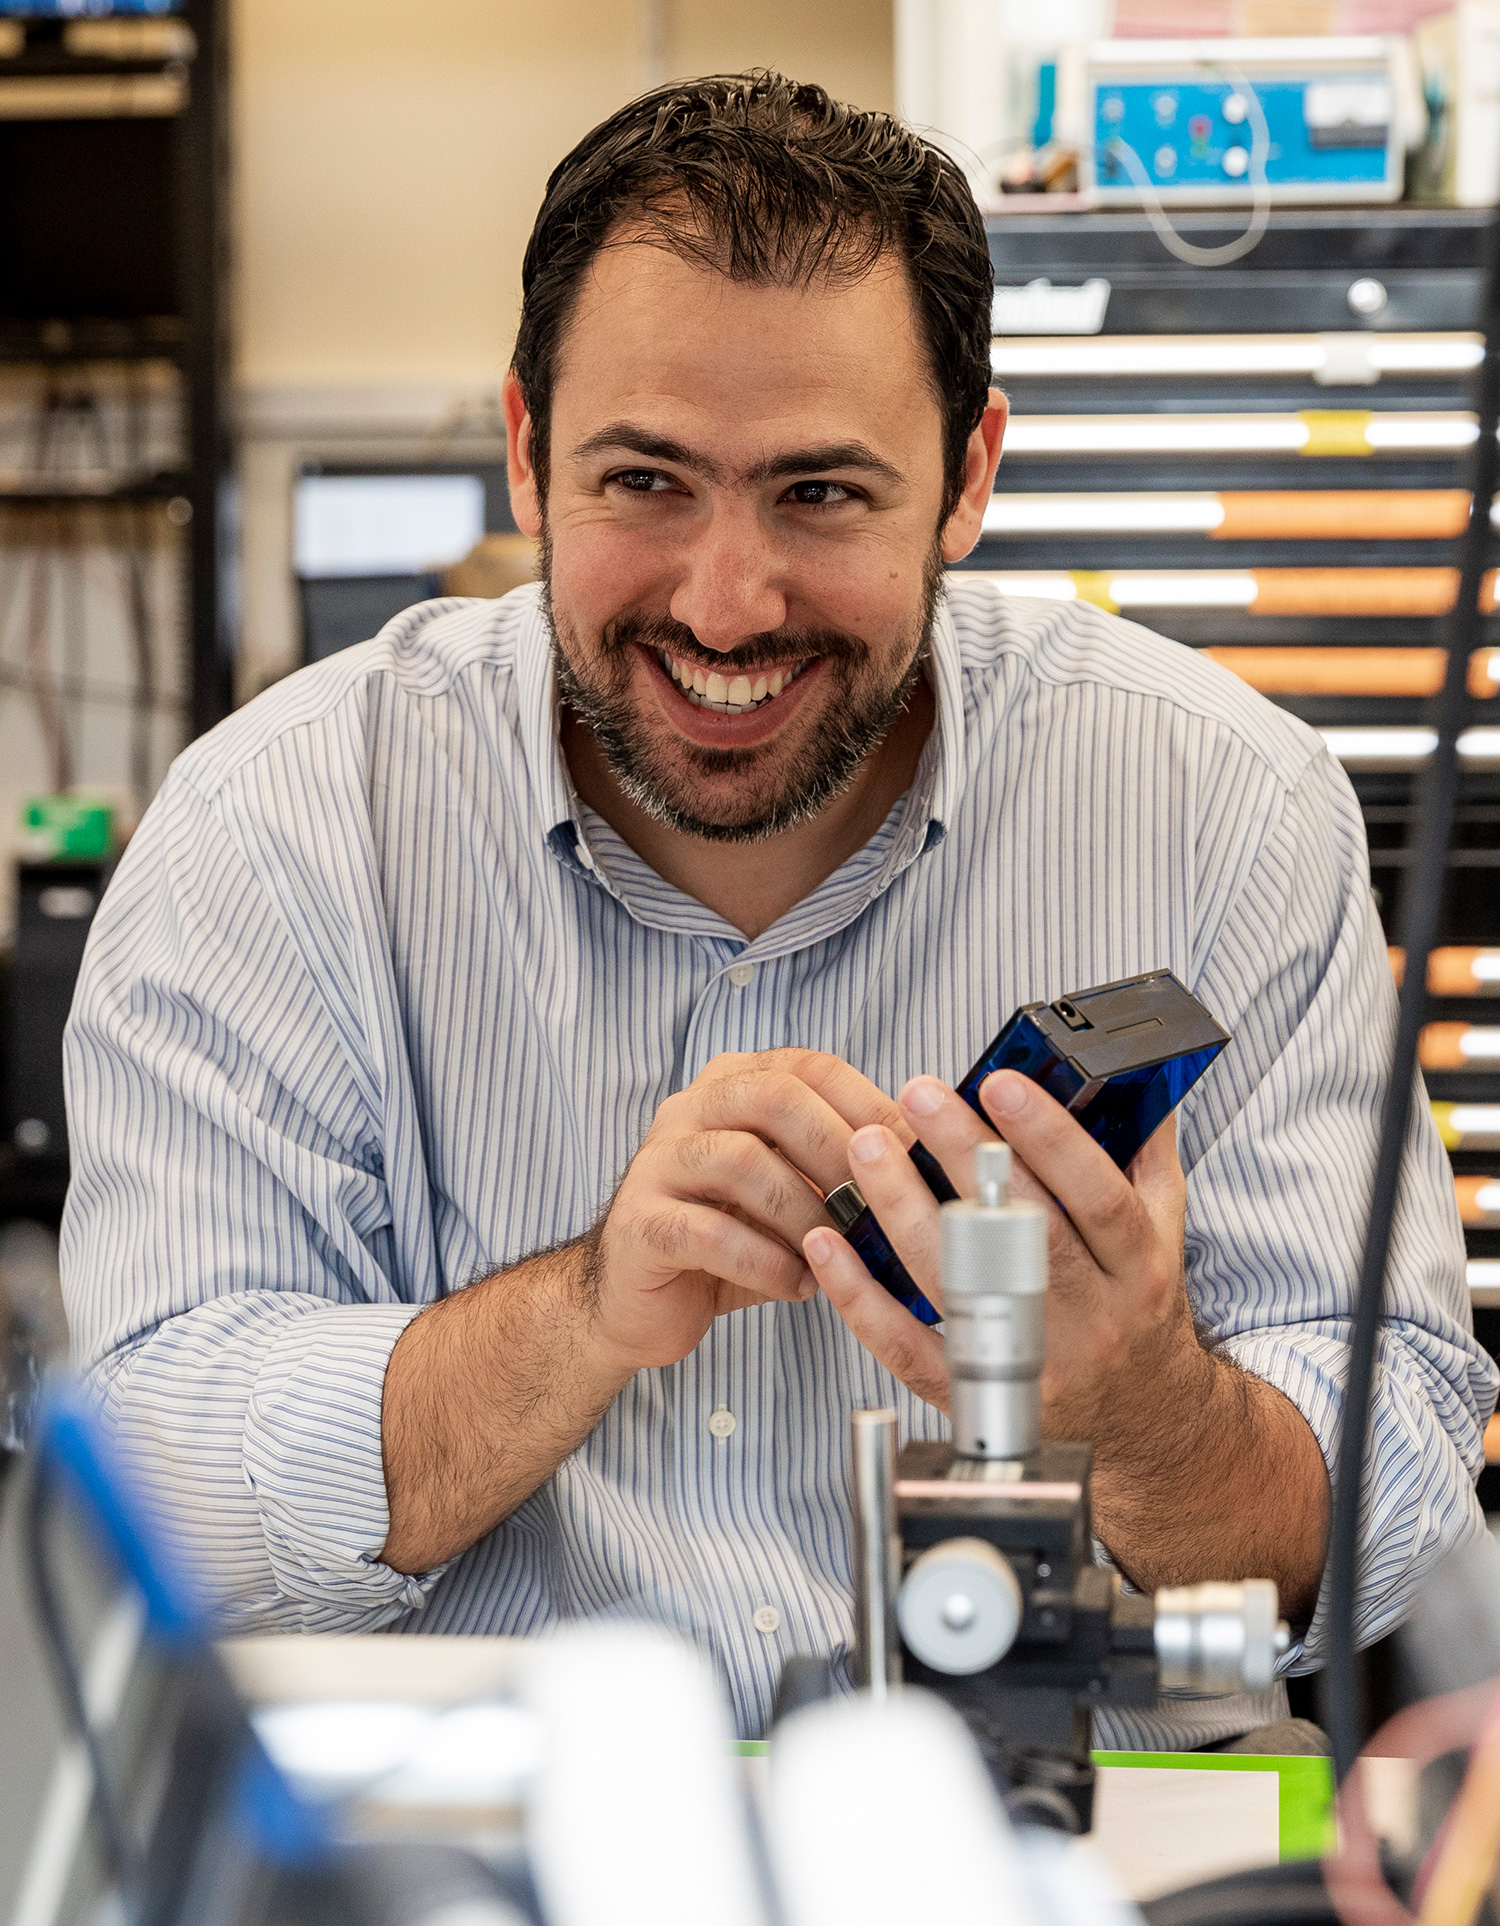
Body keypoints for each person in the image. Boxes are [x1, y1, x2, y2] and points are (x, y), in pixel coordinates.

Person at [62, 74, 1494, 1745]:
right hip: (481, 1900)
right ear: (529, 453)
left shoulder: (1224, 809)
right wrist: (582, 1313)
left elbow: (1394, 1513)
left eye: (820, 494)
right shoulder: (276, 832)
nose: (725, 604)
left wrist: (1134, 1397)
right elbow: (149, 1490)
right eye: (646, 483)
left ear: (967, 477)